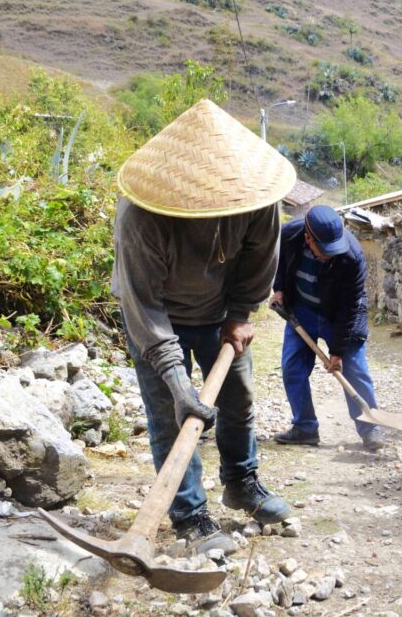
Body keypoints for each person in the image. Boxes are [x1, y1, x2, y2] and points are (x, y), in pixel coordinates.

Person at [112, 99, 295, 553]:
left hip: (219, 314)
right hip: (156, 318)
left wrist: (239, 315)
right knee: (171, 419)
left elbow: (260, 259)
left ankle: (241, 482)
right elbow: (142, 301)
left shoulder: (254, 198)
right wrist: (178, 384)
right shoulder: (141, 215)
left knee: (239, 400)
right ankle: (190, 515)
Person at [270, 205, 384, 450]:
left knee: (355, 370)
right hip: (302, 309)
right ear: (308, 238)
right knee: (292, 369)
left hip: (340, 315)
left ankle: (370, 428)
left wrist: (337, 351)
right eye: (325, 250)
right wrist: (279, 288)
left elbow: (349, 307)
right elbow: (280, 261)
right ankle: (305, 428)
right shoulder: (289, 234)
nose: (331, 255)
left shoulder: (352, 256)